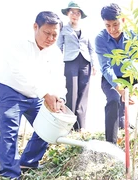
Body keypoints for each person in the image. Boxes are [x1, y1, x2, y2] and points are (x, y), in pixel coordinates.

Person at [0, 11, 66, 180]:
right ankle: (10, 175)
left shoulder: (55, 53)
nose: (50, 38)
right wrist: (46, 94)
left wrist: (59, 97)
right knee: (10, 131)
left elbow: (58, 78)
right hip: (9, 91)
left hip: (36, 95)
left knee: (48, 126)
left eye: (55, 35)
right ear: (35, 27)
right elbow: (20, 74)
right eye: (47, 33)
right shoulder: (19, 44)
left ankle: (28, 163)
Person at [94, 3, 138, 144]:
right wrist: (120, 89)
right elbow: (106, 67)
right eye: (108, 25)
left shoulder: (133, 36)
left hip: (132, 75)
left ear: (123, 20)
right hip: (111, 78)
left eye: (115, 24)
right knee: (113, 100)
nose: (112, 29)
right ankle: (110, 142)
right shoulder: (100, 39)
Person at [57, 1, 96, 132]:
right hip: (70, 62)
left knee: (83, 93)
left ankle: (81, 126)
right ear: (68, 13)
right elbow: (59, 47)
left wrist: (94, 64)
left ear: (81, 15)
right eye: (72, 12)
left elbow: (91, 49)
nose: (75, 15)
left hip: (85, 62)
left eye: (78, 12)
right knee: (71, 93)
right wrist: (56, 63)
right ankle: (69, 125)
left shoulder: (86, 30)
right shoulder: (63, 29)